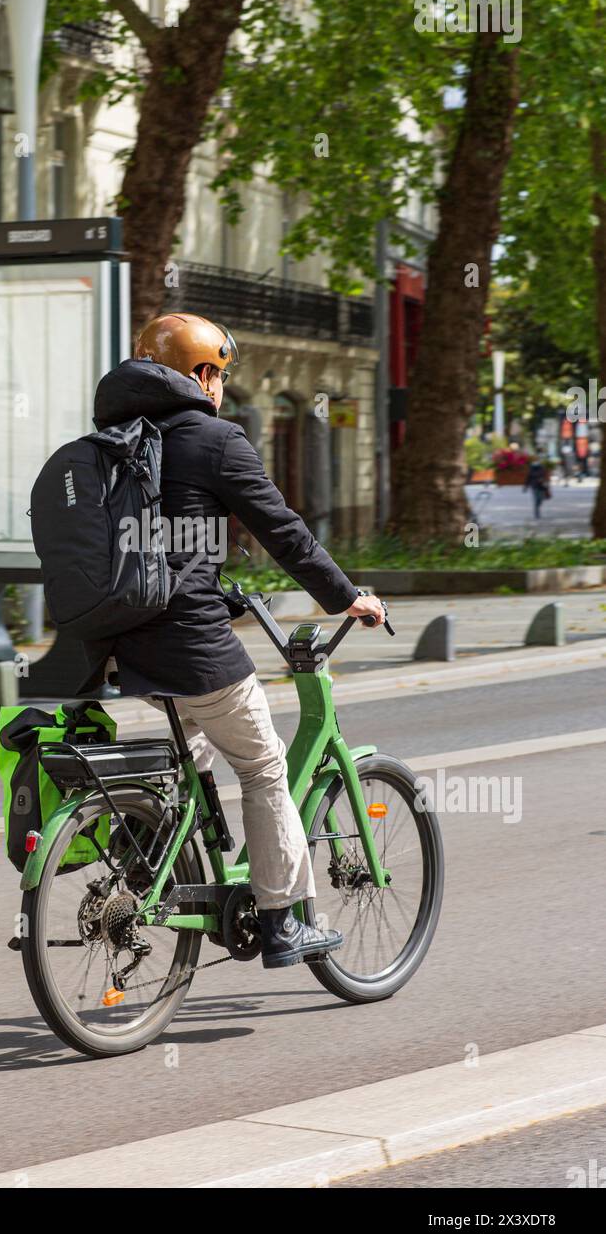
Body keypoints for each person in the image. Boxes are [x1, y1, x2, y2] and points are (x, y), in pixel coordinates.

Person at [91, 313, 384, 970]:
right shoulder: (214, 438)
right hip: (191, 647)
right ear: (197, 374)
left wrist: (213, 587)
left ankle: (158, 856)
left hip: (118, 647)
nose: (219, 387)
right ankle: (281, 922)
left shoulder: (110, 441)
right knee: (263, 767)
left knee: (188, 754)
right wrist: (347, 596)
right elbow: (284, 532)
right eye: (216, 373)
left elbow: (154, 543)